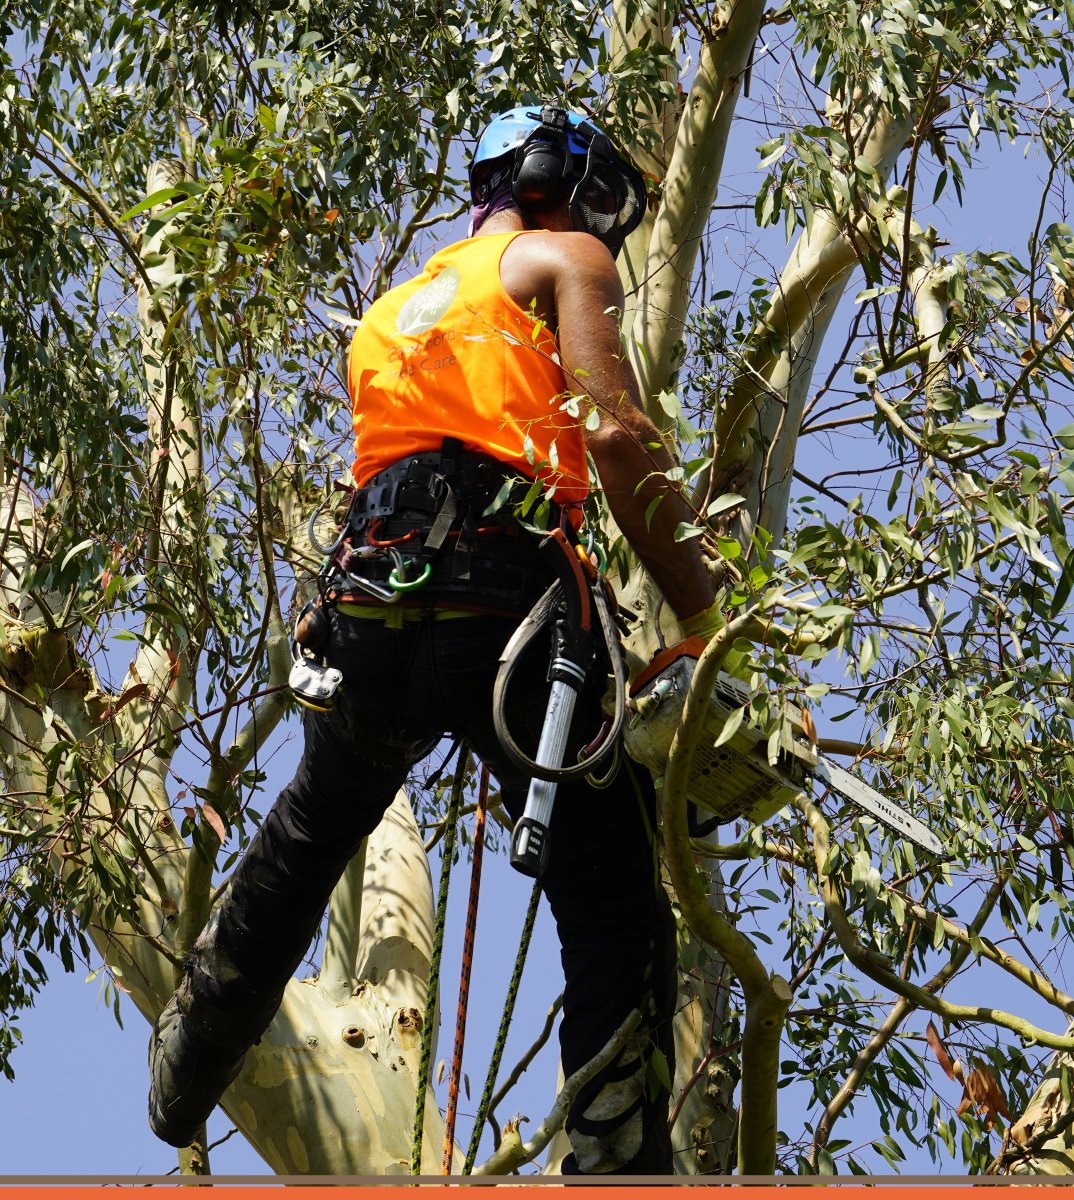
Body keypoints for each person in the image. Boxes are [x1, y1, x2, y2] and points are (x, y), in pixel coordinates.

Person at [147, 102, 728, 1174]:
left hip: (372, 607)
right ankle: (615, 1163)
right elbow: (614, 435)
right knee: (611, 891)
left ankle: (189, 1057)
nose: (603, 224)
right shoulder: (567, 258)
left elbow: (392, 467)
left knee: (311, 828)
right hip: (503, 606)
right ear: (550, 175)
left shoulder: (389, 311)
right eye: (598, 196)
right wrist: (704, 612)